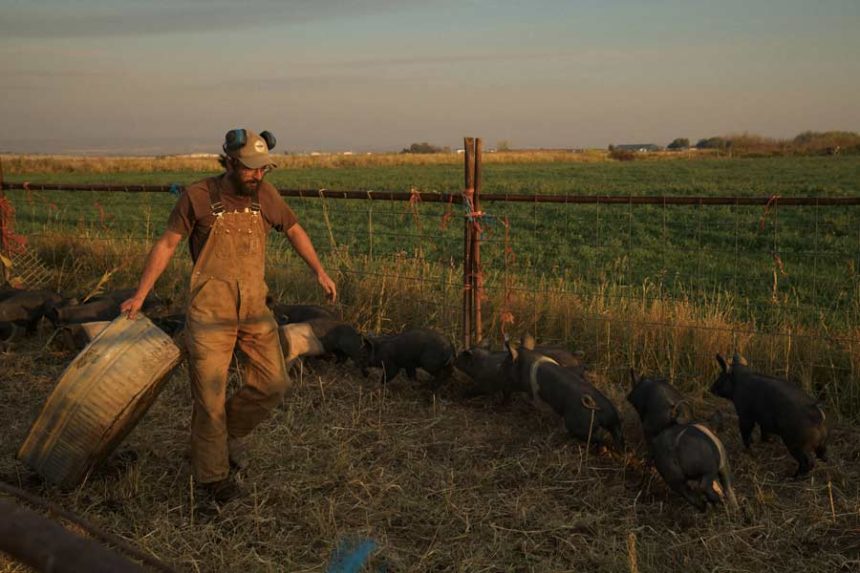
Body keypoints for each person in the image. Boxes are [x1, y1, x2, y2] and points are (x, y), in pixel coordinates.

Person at [121, 128, 336, 501]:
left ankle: (215, 442)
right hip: (209, 312)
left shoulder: (265, 195)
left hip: (255, 308)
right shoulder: (198, 197)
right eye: (251, 169)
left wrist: (318, 269)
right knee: (209, 398)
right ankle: (212, 480)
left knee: (272, 384)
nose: (258, 175)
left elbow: (295, 228)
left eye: (263, 169)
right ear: (231, 162)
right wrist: (140, 295)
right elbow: (167, 244)